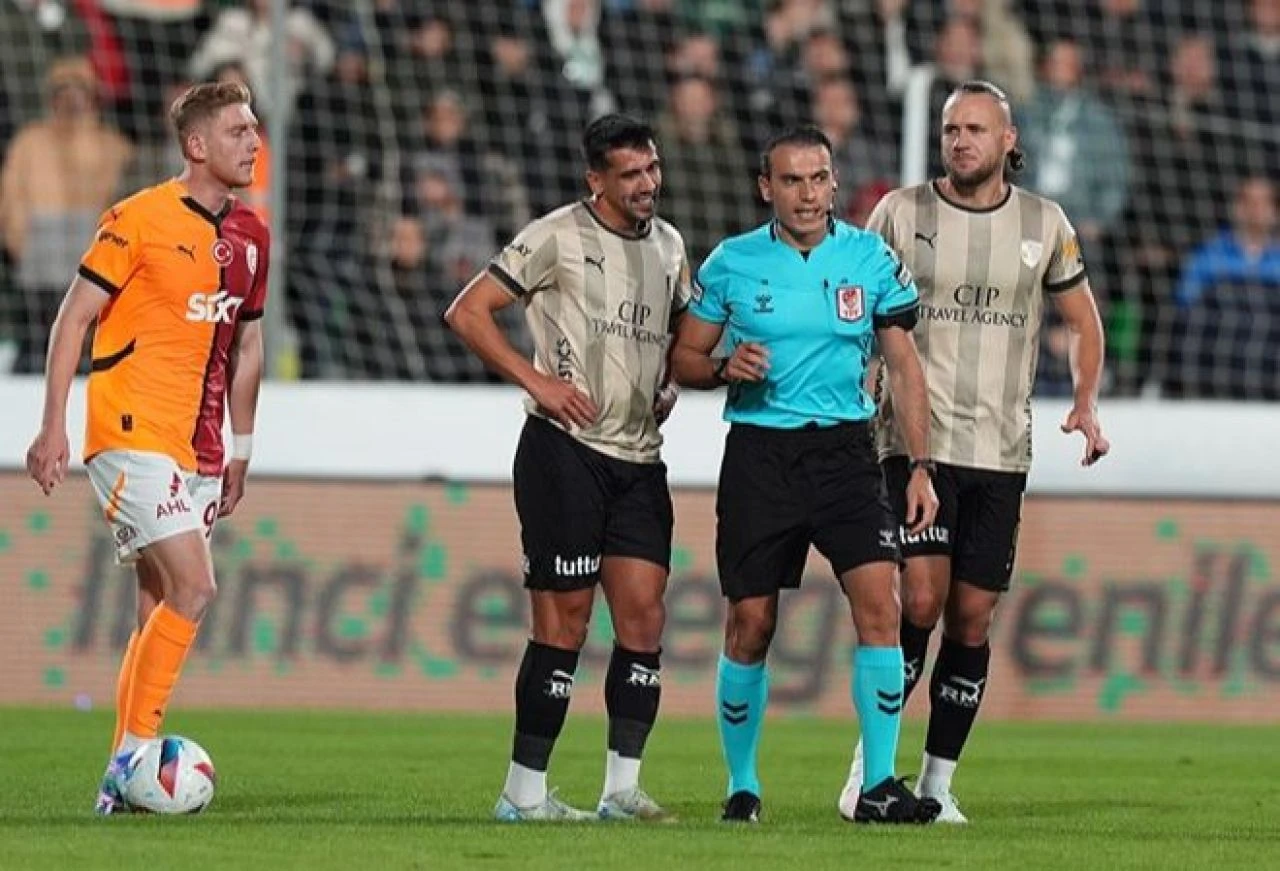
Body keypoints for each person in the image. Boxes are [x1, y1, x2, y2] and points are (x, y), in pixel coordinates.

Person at [836, 80, 1110, 824]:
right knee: (919, 597)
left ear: (1009, 140)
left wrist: (1084, 401)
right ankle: (873, 766)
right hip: (914, 442)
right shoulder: (900, 210)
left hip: (1001, 450)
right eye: (952, 128)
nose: (960, 140)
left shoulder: (1044, 224)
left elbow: (1084, 320)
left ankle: (934, 782)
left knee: (973, 617)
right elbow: (855, 301)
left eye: (976, 129)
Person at [671, 126, 942, 825]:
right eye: (791, 180)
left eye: (818, 178)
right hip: (762, 456)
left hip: (847, 455)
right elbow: (684, 359)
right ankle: (743, 785)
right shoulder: (733, 262)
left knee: (881, 607)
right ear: (767, 187)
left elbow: (905, 365)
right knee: (751, 622)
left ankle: (878, 782)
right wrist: (724, 367)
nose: (807, 193)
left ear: (832, 181)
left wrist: (919, 466)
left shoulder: (869, 256)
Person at [24, 81, 269, 815]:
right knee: (196, 587)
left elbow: (248, 342)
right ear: (196, 146)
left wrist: (241, 446)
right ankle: (133, 759)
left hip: (197, 446)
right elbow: (73, 319)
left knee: (158, 604)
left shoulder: (252, 235)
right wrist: (53, 422)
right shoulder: (138, 218)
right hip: (128, 431)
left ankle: (120, 773)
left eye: (255, 128)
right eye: (236, 131)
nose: (253, 141)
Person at [444, 114, 691, 823]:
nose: (648, 185)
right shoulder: (556, 235)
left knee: (643, 618)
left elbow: (681, 337)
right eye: (631, 175)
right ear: (596, 181)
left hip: (640, 457)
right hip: (564, 454)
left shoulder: (671, 246)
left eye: (652, 169)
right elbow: (468, 312)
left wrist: (671, 384)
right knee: (566, 623)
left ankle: (621, 788)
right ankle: (523, 792)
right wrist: (538, 381)